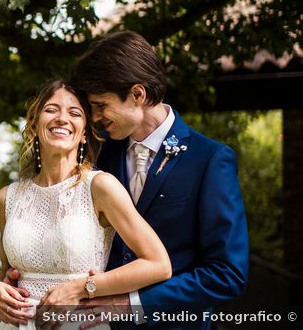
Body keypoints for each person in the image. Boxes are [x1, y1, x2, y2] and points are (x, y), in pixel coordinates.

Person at [64, 31, 249, 329]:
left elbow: (226, 274)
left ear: (138, 94)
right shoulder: (99, 159)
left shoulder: (210, 160)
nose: (95, 117)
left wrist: (131, 305)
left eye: (101, 105)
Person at [0, 79, 171, 329]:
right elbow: (7, 271)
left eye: (75, 113)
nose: (62, 118)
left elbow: (158, 264)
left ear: (84, 132)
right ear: (33, 123)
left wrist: (82, 288)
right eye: (51, 109)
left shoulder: (100, 187)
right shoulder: (7, 197)